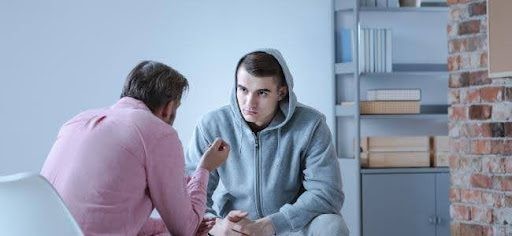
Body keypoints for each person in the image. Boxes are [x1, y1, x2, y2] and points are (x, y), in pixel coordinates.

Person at [41, 61, 230, 236]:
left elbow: (102, 215)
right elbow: (185, 229)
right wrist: (205, 168)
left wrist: (163, 226)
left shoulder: (76, 121)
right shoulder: (159, 132)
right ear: (169, 108)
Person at [185, 49, 349, 236]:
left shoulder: (311, 125)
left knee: (332, 225)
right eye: (243, 89)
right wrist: (216, 225)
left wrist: (271, 224)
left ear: (281, 92)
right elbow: (189, 191)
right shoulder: (212, 125)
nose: (249, 102)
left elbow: (328, 193)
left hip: (289, 228)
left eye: (262, 93)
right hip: (233, 229)